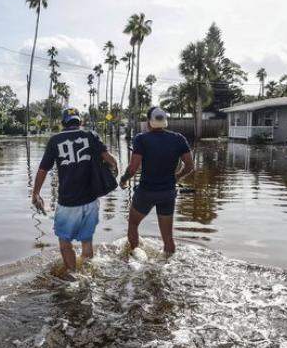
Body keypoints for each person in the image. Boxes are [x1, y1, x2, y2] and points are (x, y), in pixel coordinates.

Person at [32, 108, 118, 278]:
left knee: (65, 243)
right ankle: (88, 275)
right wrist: (112, 172)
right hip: (91, 201)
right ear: (80, 122)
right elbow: (112, 161)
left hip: (68, 202)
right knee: (87, 242)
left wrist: (36, 193)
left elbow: (43, 169)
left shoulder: (55, 140)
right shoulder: (91, 136)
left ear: (63, 123)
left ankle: (73, 276)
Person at [120, 106, 194, 256]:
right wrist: (177, 177)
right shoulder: (178, 139)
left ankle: (135, 257)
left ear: (149, 122)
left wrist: (123, 180)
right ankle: (168, 264)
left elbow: (133, 168)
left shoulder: (141, 139)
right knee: (168, 238)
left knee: (133, 224)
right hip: (167, 193)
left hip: (146, 192)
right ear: (165, 121)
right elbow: (190, 166)